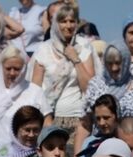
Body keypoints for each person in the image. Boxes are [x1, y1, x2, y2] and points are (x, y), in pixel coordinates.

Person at [29, 2, 97, 132]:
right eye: (63, 21)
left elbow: (90, 88)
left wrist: (75, 59)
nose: (68, 25)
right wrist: (46, 119)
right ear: (55, 24)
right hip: (49, 119)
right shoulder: (44, 50)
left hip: (79, 120)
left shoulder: (84, 47)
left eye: (72, 21)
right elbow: (35, 91)